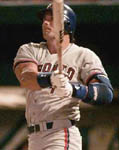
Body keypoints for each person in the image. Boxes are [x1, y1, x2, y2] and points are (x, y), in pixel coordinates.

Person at [13, 3, 113, 150]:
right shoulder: (30, 49)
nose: (45, 22)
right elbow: (26, 78)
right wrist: (50, 79)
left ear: (66, 24)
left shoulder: (83, 55)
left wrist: (73, 89)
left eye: (51, 19)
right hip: (34, 136)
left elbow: (106, 93)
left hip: (61, 133)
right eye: (44, 19)